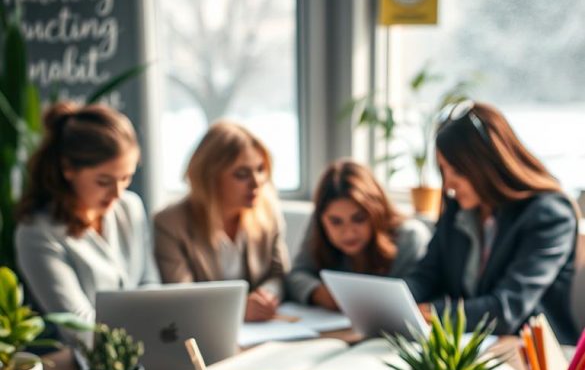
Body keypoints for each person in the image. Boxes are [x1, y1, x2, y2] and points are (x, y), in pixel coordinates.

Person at [405, 101, 579, 342]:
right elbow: (426, 276)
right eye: (443, 172)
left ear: (487, 164)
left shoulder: (549, 215)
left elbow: (507, 308)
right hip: (468, 345)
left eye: (456, 171)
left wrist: (433, 313)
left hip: (529, 355)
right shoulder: (458, 210)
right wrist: (395, 303)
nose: (448, 185)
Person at [15, 102, 159, 327]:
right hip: (80, 358)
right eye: (104, 181)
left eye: (126, 178)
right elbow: (78, 325)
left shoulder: (130, 207)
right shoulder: (36, 233)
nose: (117, 193)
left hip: (144, 349)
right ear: (68, 169)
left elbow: (150, 286)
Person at [154, 120, 289, 321]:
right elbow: (181, 295)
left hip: (263, 330)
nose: (256, 182)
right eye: (241, 174)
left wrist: (266, 296)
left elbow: (279, 275)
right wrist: (237, 308)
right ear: (209, 177)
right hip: (204, 332)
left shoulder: (268, 212)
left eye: (260, 169)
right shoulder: (170, 223)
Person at [286, 159, 431, 309]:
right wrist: (319, 293)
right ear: (322, 219)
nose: (348, 232)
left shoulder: (409, 237)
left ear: (376, 212)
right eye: (336, 222)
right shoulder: (318, 227)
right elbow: (297, 275)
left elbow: (416, 294)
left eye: (359, 219)